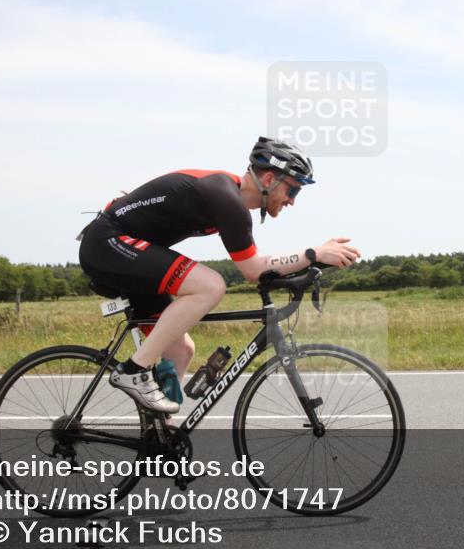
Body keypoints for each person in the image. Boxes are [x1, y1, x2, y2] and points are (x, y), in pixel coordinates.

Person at [77, 137, 361, 413]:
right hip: (108, 244)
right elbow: (253, 270)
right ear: (268, 179)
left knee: (181, 350)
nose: (292, 201)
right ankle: (134, 371)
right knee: (211, 286)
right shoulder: (225, 197)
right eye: (293, 191)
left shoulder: (228, 199)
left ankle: (159, 438)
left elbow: (261, 266)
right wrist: (314, 253)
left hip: (124, 249)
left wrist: (309, 265)